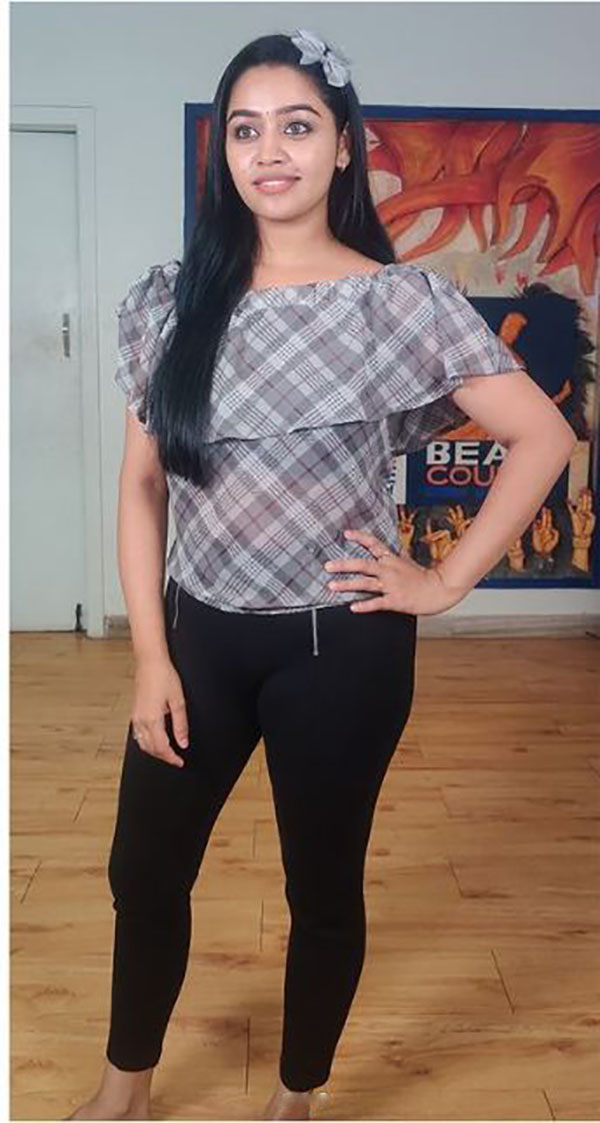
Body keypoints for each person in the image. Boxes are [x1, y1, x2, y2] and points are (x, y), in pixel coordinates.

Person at [66, 26, 576, 1123]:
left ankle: (297, 1096)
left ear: (344, 145)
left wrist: (443, 582)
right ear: (224, 153)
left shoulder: (400, 305)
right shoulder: (174, 302)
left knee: (323, 890)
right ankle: (125, 1089)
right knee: (142, 872)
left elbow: (543, 435)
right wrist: (150, 654)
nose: (270, 152)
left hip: (339, 647)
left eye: (296, 127)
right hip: (198, 636)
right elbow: (143, 486)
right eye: (245, 130)